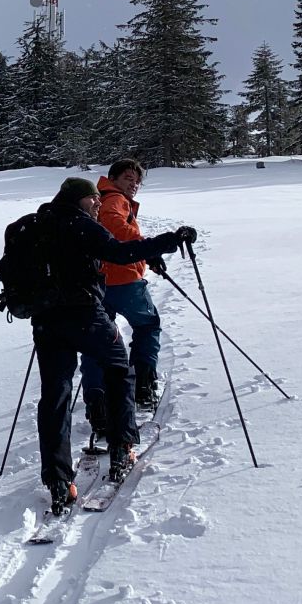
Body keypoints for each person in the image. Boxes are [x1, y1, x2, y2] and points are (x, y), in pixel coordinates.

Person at [32, 176, 195, 513]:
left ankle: (58, 480)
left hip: (46, 322)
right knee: (118, 369)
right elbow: (120, 253)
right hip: (85, 316)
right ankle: (122, 445)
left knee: (55, 394)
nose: (97, 204)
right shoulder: (81, 225)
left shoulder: (31, 226)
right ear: (78, 199)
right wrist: (167, 241)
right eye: (93, 199)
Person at [86, 158, 165, 411]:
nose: (134, 184)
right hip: (123, 279)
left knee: (98, 340)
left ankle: (97, 400)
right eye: (128, 179)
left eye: (137, 181)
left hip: (98, 283)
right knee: (147, 325)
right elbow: (114, 226)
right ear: (114, 179)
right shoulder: (114, 199)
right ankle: (144, 385)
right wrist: (146, 248)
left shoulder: (99, 199)